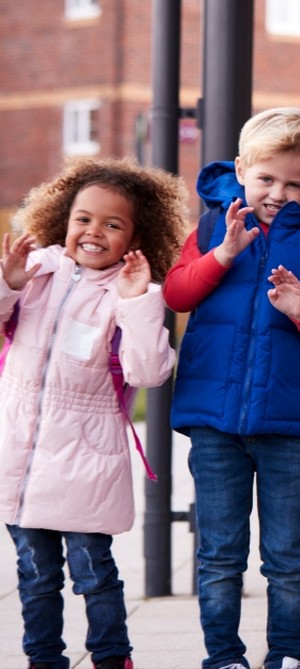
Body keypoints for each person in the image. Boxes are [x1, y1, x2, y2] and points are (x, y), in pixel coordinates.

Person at [163, 107, 300, 669]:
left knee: (287, 557)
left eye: (294, 184)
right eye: (266, 179)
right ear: (241, 169)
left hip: (289, 424)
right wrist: (221, 256)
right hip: (214, 422)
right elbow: (177, 294)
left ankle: (288, 654)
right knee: (218, 554)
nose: (279, 193)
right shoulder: (214, 227)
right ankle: (224, 657)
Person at [0, 157, 187, 669]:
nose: (94, 231)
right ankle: (43, 658)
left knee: (92, 571)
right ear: (63, 216)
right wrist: (9, 283)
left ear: (135, 235)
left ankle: (111, 656)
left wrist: (135, 303)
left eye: (112, 224)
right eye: (84, 218)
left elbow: (149, 371)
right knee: (35, 575)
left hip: (85, 456)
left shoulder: (132, 294)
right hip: (21, 453)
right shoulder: (37, 270)